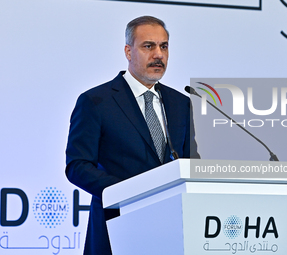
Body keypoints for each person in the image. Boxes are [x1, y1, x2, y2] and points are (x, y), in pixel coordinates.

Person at [65, 16, 199, 255]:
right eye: (148, 46)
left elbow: (191, 164)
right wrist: (129, 192)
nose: (158, 54)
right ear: (128, 51)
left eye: (164, 46)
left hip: (173, 230)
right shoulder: (96, 102)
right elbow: (77, 166)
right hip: (116, 225)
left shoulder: (181, 103)